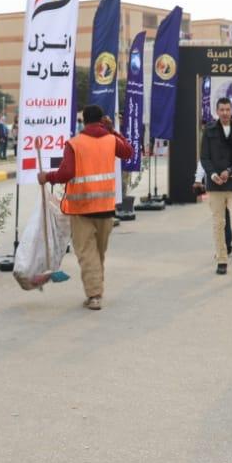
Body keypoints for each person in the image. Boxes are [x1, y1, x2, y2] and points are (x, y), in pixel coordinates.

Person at [39, 105, 133, 310]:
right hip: (106, 207)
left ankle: (94, 295)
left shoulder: (74, 144)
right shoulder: (111, 140)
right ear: (101, 120)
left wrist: (47, 176)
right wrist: (113, 131)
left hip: (81, 208)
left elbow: (66, 173)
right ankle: (96, 289)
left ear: (84, 120)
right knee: (98, 253)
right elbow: (128, 152)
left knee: (87, 253)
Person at [200, 97, 232, 278]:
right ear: (217, 111)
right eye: (221, 109)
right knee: (219, 223)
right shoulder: (209, 131)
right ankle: (222, 260)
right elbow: (204, 157)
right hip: (215, 186)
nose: (224, 113)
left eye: (227, 109)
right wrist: (212, 174)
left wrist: (230, 171)